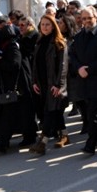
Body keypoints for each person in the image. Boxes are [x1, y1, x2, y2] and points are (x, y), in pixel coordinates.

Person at [69, 6, 97, 155]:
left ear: (96, 17)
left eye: (89, 18)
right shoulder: (79, 36)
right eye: (84, 18)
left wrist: (88, 70)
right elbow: (72, 55)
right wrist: (79, 68)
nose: (87, 21)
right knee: (94, 112)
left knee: (93, 114)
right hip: (84, 80)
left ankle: (91, 144)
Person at [29, 14, 70, 155]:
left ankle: (43, 142)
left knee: (49, 111)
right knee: (55, 110)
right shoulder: (39, 42)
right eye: (42, 24)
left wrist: (59, 85)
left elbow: (63, 66)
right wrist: (34, 81)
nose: (45, 27)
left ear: (53, 26)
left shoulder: (59, 43)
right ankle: (64, 135)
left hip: (54, 83)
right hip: (42, 83)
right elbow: (35, 64)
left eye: (48, 24)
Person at [0, 25, 36, 153]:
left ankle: (4, 142)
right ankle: (5, 141)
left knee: (12, 114)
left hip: (18, 86)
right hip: (18, 86)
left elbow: (15, 64)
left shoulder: (12, 46)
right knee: (16, 114)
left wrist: (0, 62)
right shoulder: (10, 45)